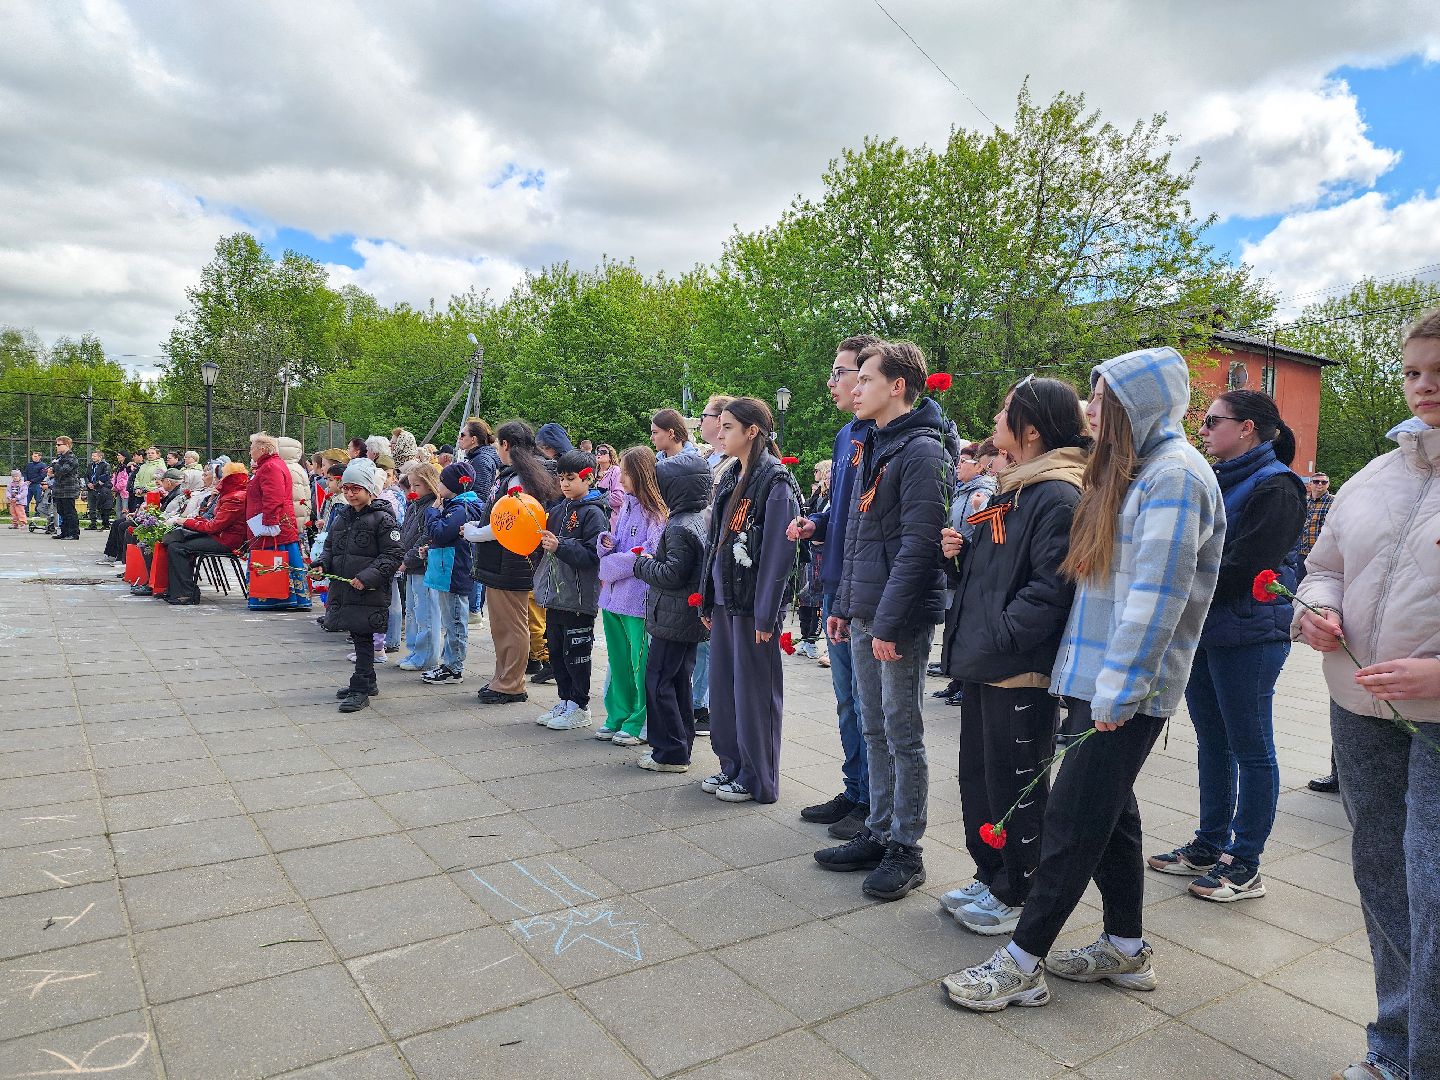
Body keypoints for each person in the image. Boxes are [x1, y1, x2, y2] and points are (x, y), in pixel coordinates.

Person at [942, 345, 1224, 1012]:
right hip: (1096, 680)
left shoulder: (1176, 477)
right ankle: (1126, 949)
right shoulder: (1139, 469)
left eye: (1100, 400)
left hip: (1120, 690)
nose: (1088, 410)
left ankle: (1021, 964)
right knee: (1112, 818)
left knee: (1071, 823)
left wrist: (1118, 694)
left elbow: (1157, 600)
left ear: (1138, 405)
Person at [1295, 308, 1440, 1080]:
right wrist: (1314, 608)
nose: (1424, 389)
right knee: (1382, 876)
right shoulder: (1378, 474)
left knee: (1435, 898)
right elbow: (1326, 565)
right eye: (1415, 372)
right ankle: (1393, 1046)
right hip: (1358, 709)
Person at [939, 378, 1088, 936]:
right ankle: (992, 871)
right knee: (978, 776)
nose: (995, 421)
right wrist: (960, 556)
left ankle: (1018, 887)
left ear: (1030, 429)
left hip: (1015, 665)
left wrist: (1000, 634)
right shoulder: (1019, 486)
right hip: (987, 657)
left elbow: (1052, 586)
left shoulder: (1057, 493)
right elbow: (999, 572)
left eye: (1005, 412)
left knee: (1015, 782)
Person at [1148, 390, 1305, 903]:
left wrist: (1177, 581)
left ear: (1248, 429)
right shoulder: (1216, 480)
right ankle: (1209, 843)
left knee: (1251, 748)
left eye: (1214, 421)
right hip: (1208, 631)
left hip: (1249, 634)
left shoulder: (1277, 485)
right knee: (1213, 744)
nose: (1206, 430)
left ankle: (1245, 861)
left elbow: (1243, 565)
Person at [817, 341, 952, 901]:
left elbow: (918, 550)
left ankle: (907, 847)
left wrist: (890, 626)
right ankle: (878, 830)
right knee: (874, 727)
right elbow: (858, 539)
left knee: (902, 731)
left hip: (897, 619)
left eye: (865, 379)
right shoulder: (875, 443)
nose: (854, 388)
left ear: (897, 386)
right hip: (869, 612)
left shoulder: (922, 452)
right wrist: (847, 608)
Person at [786, 336, 880, 839]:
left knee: (870, 707)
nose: (835, 383)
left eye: (846, 373)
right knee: (846, 700)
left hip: (863, 593)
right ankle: (855, 790)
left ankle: (873, 804)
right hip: (834, 583)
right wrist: (815, 524)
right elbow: (842, 513)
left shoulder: (891, 439)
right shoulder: (847, 437)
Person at [698, 397, 800, 803]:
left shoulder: (775, 481)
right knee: (724, 691)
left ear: (751, 430)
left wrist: (766, 614)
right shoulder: (731, 476)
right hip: (726, 602)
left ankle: (759, 778)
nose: (719, 434)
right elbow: (715, 543)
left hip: (752, 608)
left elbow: (778, 553)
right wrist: (707, 597)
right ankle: (732, 764)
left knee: (754, 693)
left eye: (726, 427)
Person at [462, 420, 561, 701]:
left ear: (506, 445)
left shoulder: (517, 479)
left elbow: (507, 525)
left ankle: (511, 684)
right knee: (504, 626)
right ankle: (503, 678)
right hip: (504, 561)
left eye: (497, 445)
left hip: (510, 561)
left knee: (511, 626)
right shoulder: (517, 475)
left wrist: (473, 532)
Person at [633, 452, 713, 770]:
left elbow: (672, 574)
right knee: (679, 681)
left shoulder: (680, 525)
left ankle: (669, 752)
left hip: (673, 617)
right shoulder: (700, 516)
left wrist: (643, 564)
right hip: (686, 618)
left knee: (660, 681)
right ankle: (680, 745)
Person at [312, 458, 402, 714]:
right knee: (357, 634)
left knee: (363, 636)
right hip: (345, 589)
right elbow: (330, 548)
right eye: (347, 488)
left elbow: (393, 554)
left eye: (356, 489)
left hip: (368, 590)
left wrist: (368, 576)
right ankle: (368, 680)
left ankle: (361, 687)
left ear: (369, 490)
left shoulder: (383, 519)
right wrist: (321, 566)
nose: (350, 493)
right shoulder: (342, 516)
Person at [532, 449, 611, 730]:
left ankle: (580, 705)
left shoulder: (594, 513)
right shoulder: (558, 510)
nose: (565, 484)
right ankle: (565, 700)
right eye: (561, 478)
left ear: (588, 479)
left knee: (576, 653)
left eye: (571, 478)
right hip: (556, 594)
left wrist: (560, 546)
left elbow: (593, 554)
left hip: (579, 598)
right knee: (556, 650)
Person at [594, 447, 668, 746]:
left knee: (640, 663)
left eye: (624, 472)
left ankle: (639, 719)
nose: (619, 478)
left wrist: (610, 564)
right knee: (619, 660)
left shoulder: (657, 511)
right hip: (613, 597)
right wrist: (605, 542)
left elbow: (647, 552)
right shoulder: (626, 503)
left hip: (636, 598)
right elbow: (622, 543)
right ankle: (618, 714)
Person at [934, 440, 1003, 706]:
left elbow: (980, 529)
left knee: (965, 624)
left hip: (974, 564)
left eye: (965, 461)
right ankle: (957, 679)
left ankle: (965, 681)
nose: (958, 466)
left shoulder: (983, 491)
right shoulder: (962, 491)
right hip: (959, 558)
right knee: (954, 620)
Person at [419, 461, 485, 685]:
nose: (438, 484)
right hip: (448, 569)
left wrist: (432, 511)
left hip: (454, 572)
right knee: (451, 619)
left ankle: (453, 667)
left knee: (455, 620)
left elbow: (440, 533)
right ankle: (449, 663)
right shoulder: (456, 505)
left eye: (442, 481)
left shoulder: (461, 508)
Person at [691, 395, 735, 736]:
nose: (701, 421)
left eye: (704, 415)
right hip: (700, 552)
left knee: (709, 636)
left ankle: (703, 704)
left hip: (717, 551)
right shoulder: (707, 457)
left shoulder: (732, 463)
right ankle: (698, 698)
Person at [1300, 473, 1342, 793]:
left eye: (1323, 482)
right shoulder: (1306, 504)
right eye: (1316, 481)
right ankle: (1339, 772)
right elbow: (1329, 570)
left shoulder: (1333, 503)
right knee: (1343, 701)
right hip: (1313, 568)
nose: (1319, 486)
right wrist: (1320, 603)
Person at [165, 463, 250, 606]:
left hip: (227, 540)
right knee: (177, 544)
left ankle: (186, 593)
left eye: (219, 477)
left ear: (228, 479)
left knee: (177, 547)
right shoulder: (233, 494)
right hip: (224, 536)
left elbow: (214, 526)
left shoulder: (234, 497)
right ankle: (182, 591)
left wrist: (184, 522)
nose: (217, 481)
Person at [245, 432, 309, 612]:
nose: (250, 452)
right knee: (284, 556)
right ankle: (289, 597)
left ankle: (273, 598)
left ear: (263, 449)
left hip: (272, 524)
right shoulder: (272, 464)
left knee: (274, 555)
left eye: (252, 448)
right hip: (277, 522)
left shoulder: (269, 467)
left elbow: (273, 497)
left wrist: (270, 522)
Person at [396, 463, 443, 673]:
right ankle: (416, 650)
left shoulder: (432, 506)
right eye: (412, 485)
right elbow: (408, 532)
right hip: (414, 566)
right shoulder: (416, 505)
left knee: (426, 613)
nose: (413, 490)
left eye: (417, 485)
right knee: (415, 612)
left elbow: (426, 537)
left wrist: (409, 558)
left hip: (422, 566)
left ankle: (426, 656)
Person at [459, 418, 501, 622]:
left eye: (463, 435)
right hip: (476, 516)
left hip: (476, 516)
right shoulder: (477, 457)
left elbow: (480, 495)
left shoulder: (481, 461)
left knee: (473, 562)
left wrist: (470, 521)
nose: (460, 439)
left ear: (473, 439)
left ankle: (474, 609)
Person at [794, 460, 831, 659]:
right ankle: (806, 638)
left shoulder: (831, 497)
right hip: (813, 549)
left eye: (820, 471)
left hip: (823, 552)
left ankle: (814, 640)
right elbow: (810, 511)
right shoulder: (819, 494)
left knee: (816, 596)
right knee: (806, 595)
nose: (819, 475)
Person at [50, 436, 82, 541]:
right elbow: (52, 471)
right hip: (59, 489)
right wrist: (53, 468)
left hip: (69, 489)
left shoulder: (71, 458)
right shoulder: (60, 458)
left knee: (69, 511)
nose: (57, 447)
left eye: (59, 445)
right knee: (61, 511)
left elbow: (62, 471)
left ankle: (74, 533)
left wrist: (55, 465)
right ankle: (64, 532)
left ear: (67, 445)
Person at [594, 444, 624, 528]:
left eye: (603, 452)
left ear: (610, 456)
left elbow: (619, 497)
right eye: (597, 452)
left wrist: (595, 499)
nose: (599, 454)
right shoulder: (593, 472)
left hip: (610, 518)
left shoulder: (616, 471)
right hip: (593, 516)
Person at [85, 451, 113, 530]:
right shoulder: (90, 465)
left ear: (100, 457)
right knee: (91, 507)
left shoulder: (105, 465)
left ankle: (105, 524)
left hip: (101, 488)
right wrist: (88, 483)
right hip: (91, 488)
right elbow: (86, 475)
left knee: (103, 506)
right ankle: (93, 524)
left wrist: (95, 485)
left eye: (95, 456)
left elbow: (105, 476)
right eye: (92, 456)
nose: (93, 457)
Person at [22, 451, 46, 517]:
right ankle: (25, 513)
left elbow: (42, 476)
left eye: (36, 456)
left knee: (38, 500)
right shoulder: (29, 465)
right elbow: (25, 473)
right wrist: (26, 480)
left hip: (37, 485)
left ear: (39, 457)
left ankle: (37, 514)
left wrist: (31, 481)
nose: (34, 457)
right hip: (28, 485)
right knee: (26, 500)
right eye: (33, 456)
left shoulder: (43, 465)